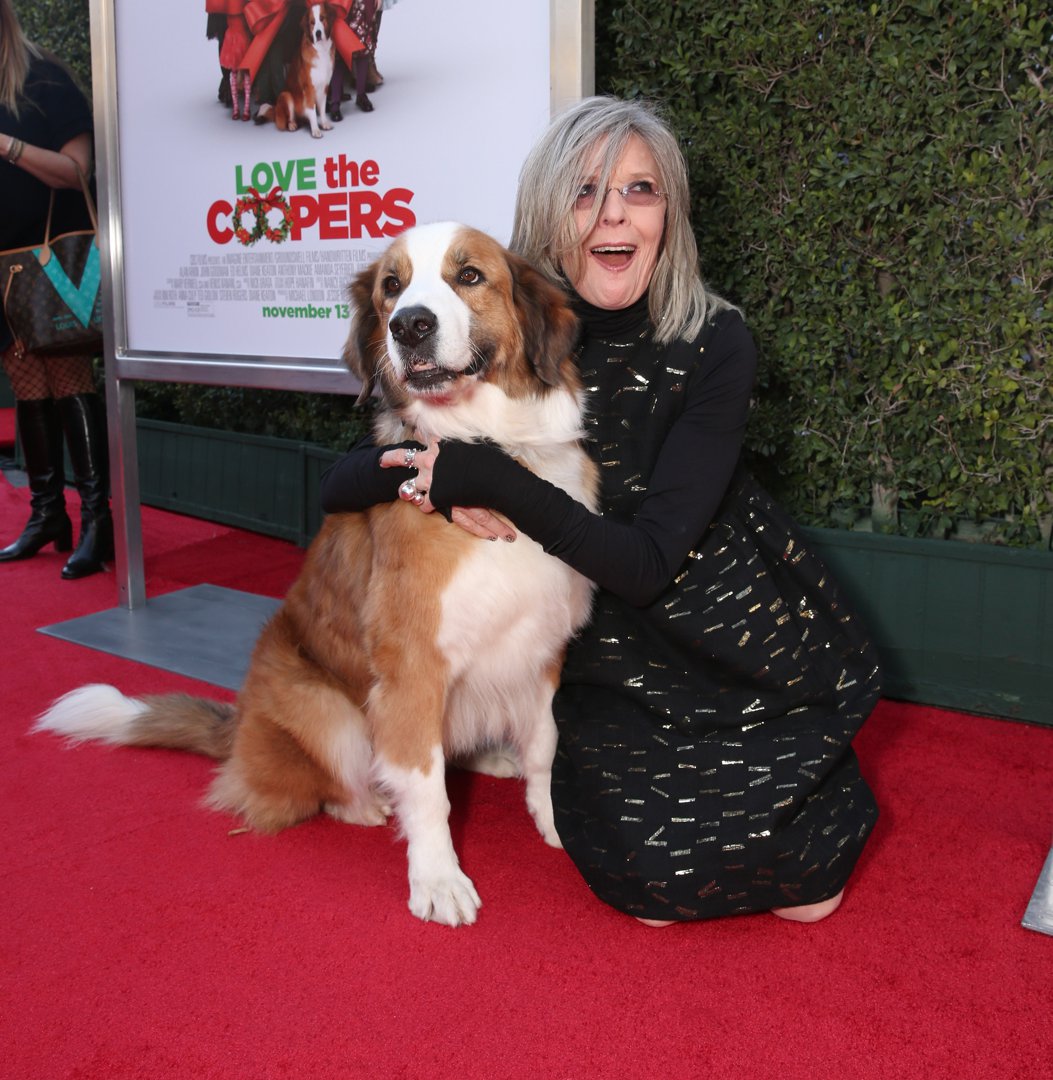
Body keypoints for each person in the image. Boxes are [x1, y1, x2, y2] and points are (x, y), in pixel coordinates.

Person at [319, 96, 880, 925]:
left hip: (712, 611)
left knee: (808, 895)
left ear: (669, 213)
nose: (613, 213)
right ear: (552, 211)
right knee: (653, 895)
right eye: (586, 192)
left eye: (640, 190)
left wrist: (489, 480)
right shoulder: (520, 322)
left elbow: (649, 561)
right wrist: (430, 475)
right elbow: (343, 480)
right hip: (601, 639)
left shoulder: (712, 339)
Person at [0, 0, 113, 579]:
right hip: (2, 273)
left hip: (51, 264)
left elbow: (77, 169)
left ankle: (99, 521)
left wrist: (6, 144)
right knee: (26, 383)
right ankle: (48, 514)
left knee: (68, 379)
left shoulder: (43, 78)